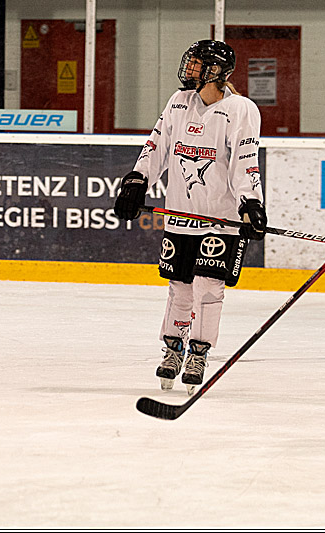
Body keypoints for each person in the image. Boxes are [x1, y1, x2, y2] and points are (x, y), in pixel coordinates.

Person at [112, 40, 267, 394]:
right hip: (180, 215)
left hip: (220, 219)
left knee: (208, 287)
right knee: (180, 287)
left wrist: (250, 202)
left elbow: (245, 161)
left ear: (217, 72)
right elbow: (156, 146)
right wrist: (138, 180)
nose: (190, 68)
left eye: (199, 64)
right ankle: (173, 349)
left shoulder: (241, 109)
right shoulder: (178, 102)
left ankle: (199, 352)